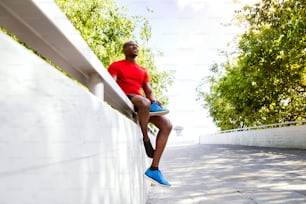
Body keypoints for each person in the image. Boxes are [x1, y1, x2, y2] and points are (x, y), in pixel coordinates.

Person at [108, 40, 172, 187]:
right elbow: (112, 83)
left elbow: (148, 91)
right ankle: (145, 139)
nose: (134, 47)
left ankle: (154, 169)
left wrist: (154, 101)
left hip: (142, 103)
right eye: (131, 45)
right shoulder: (116, 65)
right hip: (127, 98)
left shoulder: (142, 70)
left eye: (136, 45)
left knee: (167, 124)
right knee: (144, 103)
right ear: (124, 50)